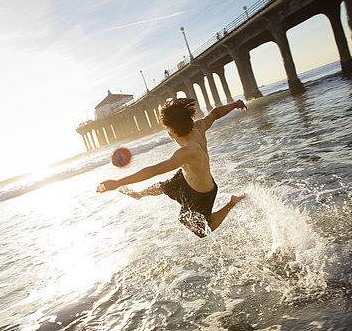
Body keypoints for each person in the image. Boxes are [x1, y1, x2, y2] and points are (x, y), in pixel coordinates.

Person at [96, 98, 247, 237]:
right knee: (164, 186)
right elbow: (214, 114)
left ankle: (231, 202)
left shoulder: (186, 153)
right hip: (187, 177)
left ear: (171, 130)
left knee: (202, 229)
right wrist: (234, 104)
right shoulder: (198, 127)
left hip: (201, 192)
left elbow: (153, 170)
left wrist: (117, 182)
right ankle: (140, 194)